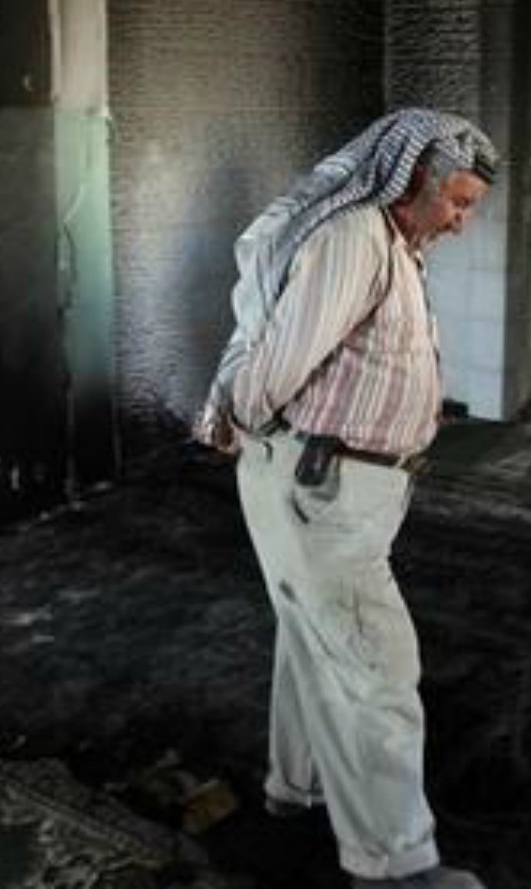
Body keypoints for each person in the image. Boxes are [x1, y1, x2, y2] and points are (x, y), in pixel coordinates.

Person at [198, 109, 497, 889]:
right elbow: (278, 363)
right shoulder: (356, 240)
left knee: (314, 640)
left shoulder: (396, 244)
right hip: (320, 485)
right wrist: (258, 432)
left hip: (337, 484)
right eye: (457, 203)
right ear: (410, 183)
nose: (462, 223)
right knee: (377, 674)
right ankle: (395, 867)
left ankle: (294, 788)